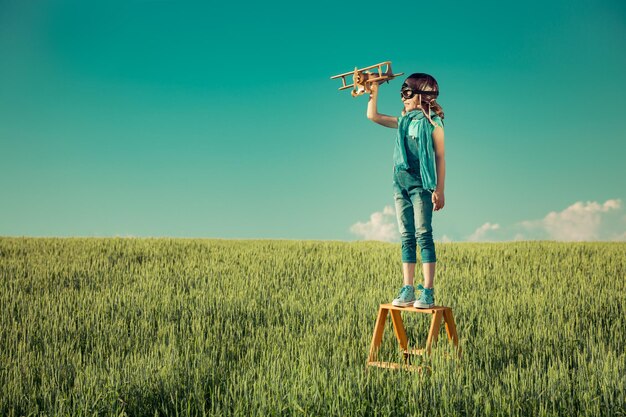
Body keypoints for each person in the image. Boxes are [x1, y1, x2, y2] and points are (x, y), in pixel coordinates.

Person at [366, 73, 446, 308]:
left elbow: (440, 157)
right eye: (402, 94)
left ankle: (428, 291)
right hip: (399, 183)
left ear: (423, 95)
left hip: (421, 184)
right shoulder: (403, 120)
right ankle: (408, 288)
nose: (403, 98)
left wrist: (439, 189)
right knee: (406, 237)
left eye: (407, 94)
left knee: (423, 234)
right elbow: (372, 115)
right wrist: (373, 89)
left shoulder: (433, 124)